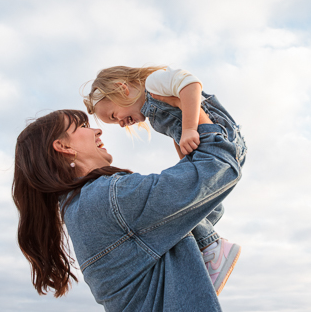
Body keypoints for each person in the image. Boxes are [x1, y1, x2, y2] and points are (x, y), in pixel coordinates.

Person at [12, 103, 244, 311]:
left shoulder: (81, 208)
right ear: (63, 146)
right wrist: (185, 106)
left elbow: (204, 205)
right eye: (82, 125)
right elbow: (220, 166)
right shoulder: (106, 198)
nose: (97, 129)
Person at [82, 66, 247, 293]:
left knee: (176, 200)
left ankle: (212, 246)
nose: (120, 123)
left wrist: (190, 129)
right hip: (212, 145)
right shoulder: (153, 114)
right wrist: (186, 159)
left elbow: (191, 85)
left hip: (218, 137)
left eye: (113, 116)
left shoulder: (153, 83)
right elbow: (176, 132)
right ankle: (209, 242)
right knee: (196, 202)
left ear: (123, 88)